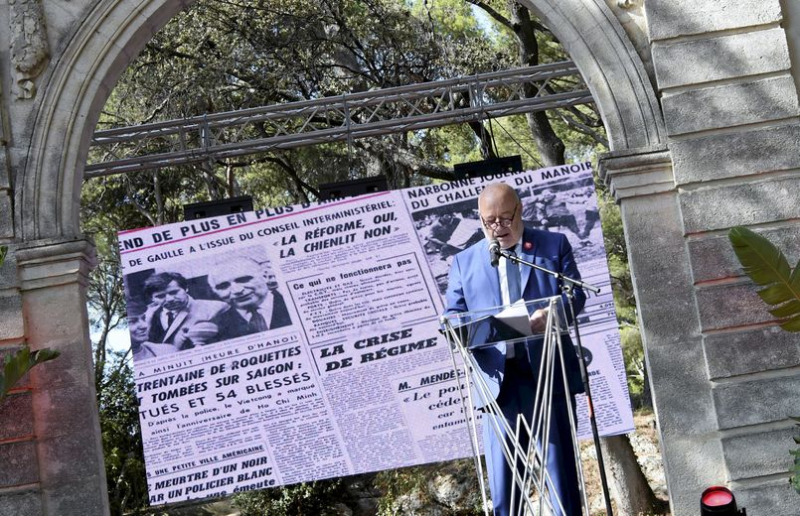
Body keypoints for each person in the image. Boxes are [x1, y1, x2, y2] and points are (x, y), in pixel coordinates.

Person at [444, 183, 586, 516]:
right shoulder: (465, 262)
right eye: (489, 221)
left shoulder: (553, 246)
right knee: (505, 495)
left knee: (561, 480)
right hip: (497, 387)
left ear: (520, 210)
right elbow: (453, 315)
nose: (498, 228)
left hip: (548, 377)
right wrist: (455, 328)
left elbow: (574, 294)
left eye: (505, 219)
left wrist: (555, 312)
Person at [205, 256, 292, 342]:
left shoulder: (292, 302)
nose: (237, 290)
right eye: (223, 286)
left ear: (265, 277)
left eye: (243, 279)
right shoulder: (213, 327)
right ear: (215, 291)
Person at [142, 272, 227, 350]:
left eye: (174, 292)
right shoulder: (147, 316)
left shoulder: (214, 308)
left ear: (186, 288)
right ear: (152, 299)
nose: (169, 299)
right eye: (160, 296)